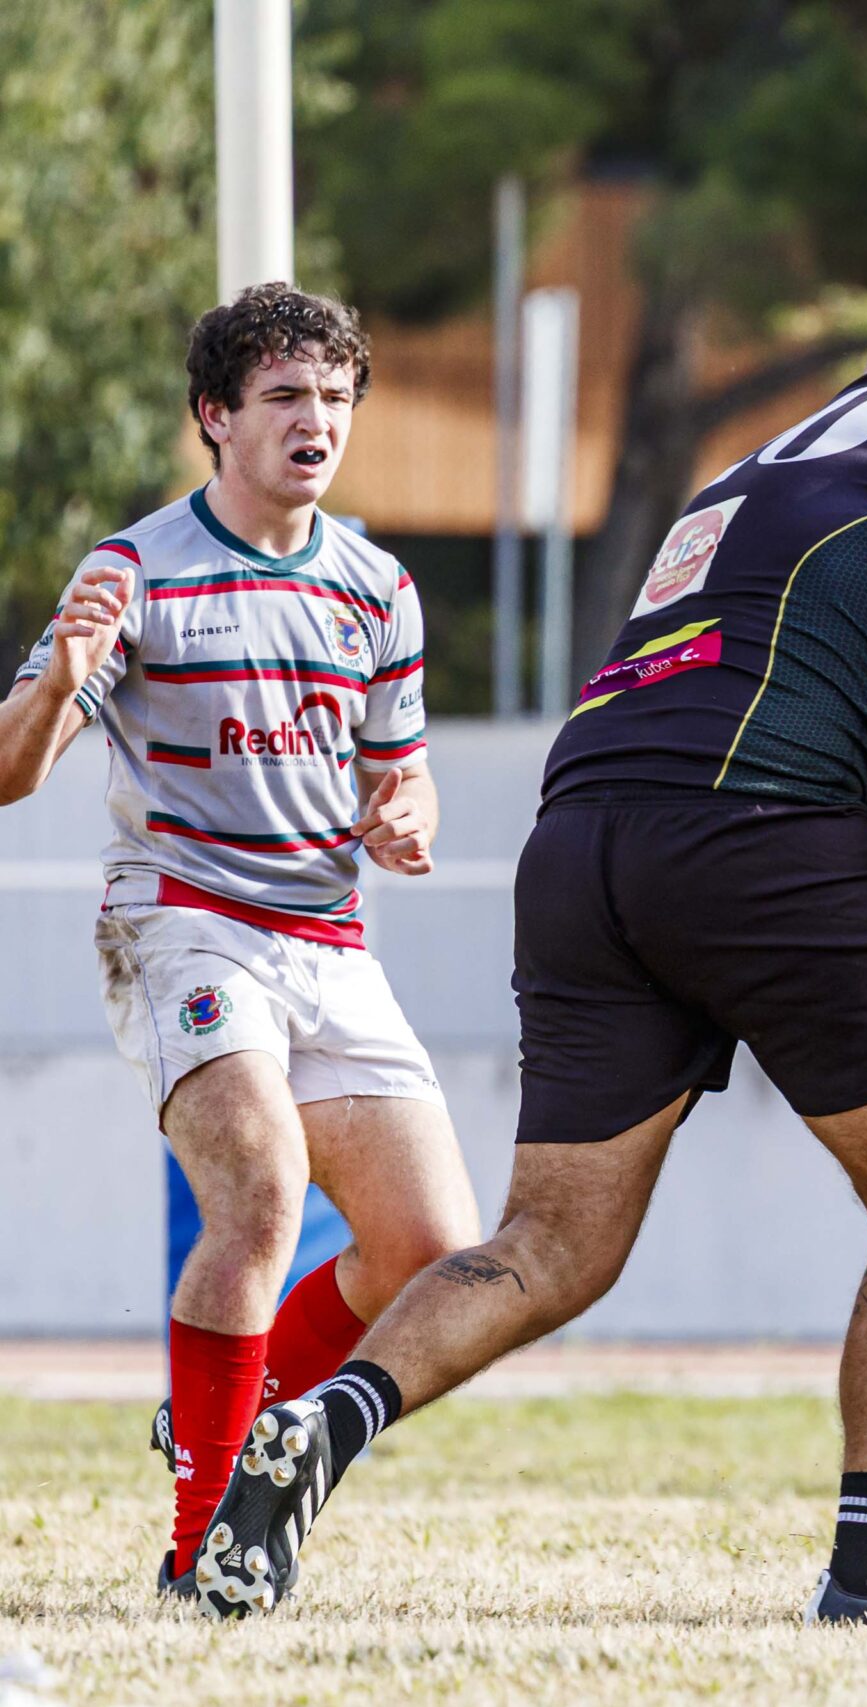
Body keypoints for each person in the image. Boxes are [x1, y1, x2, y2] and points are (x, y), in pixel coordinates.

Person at [192, 248, 867, 1626]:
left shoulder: (748, 465)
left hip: (582, 839)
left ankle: (329, 1422)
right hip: (757, 830)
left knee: (551, 1243)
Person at [0, 284, 479, 1599]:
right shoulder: (136, 568)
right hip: (182, 920)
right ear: (215, 418)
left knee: (435, 1249)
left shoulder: (379, 586)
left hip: (327, 938)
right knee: (262, 1197)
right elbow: (7, 771)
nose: (315, 419)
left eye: (333, 396)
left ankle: (238, 1403)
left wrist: (406, 812)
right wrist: (54, 683)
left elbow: (408, 773)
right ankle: (204, 1539)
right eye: (283, 396)